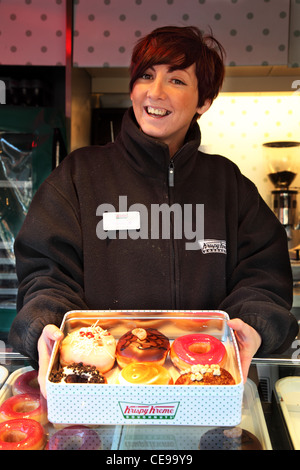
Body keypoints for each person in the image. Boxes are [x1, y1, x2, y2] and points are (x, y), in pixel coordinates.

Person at [8, 26, 298, 398]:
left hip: (208, 388)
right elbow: (45, 273)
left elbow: (264, 278)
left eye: (176, 80)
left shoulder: (228, 184)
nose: (155, 92)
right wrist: (46, 326)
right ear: (132, 88)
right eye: (146, 75)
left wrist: (252, 326)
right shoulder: (79, 176)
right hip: (99, 391)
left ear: (204, 100)